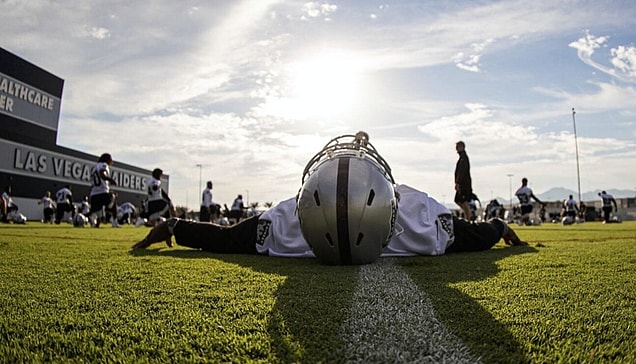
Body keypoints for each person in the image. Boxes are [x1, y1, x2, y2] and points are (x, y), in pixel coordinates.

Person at [133, 132, 525, 264]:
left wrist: (175, 226)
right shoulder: (419, 214)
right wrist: (501, 227)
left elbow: (223, 239)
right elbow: (475, 236)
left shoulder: (286, 222)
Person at [88, 153, 118, 228]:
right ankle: (114, 221)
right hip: (102, 192)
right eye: (111, 159)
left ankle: (94, 220)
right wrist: (110, 179)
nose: (112, 161)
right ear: (107, 159)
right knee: (113, 199)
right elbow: (102, 173)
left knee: (97, 211)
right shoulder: (104, 165)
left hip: (93, 194)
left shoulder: (94, 167)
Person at [453, 141, 474, 220]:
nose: (456, 149)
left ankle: (469, 215)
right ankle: (468, 214)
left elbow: (462, 171)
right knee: (459, 200)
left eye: (457, 147)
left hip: (463, 184)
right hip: (463, 183)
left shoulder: (463, 158)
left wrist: (458, 183)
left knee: (461, 200)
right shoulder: (462, 157)